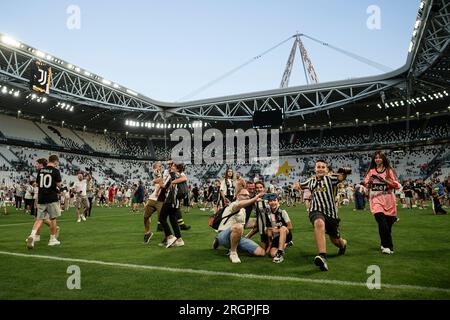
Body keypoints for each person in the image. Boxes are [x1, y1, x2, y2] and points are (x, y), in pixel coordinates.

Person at [299, 160, 349, 271]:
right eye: (318, 167)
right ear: (315, 169)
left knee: (336, 240)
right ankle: (322, 256)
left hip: (331, 214)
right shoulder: (310, 181)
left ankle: (343, 244)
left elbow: (341, 177)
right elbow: (300, 185)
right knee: (319, 223)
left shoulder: (330, 179)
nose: (320, 169)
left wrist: (345, 172)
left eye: (323, 167)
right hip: (315, 210)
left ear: (326, 169)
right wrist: (296, 186)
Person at [212, 189, 266, 263]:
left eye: (248, 196)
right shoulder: (234, 204)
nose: (247, 197)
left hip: (237, 235)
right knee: (238, 226)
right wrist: (255, 198)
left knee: (261, 252)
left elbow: (248, 222)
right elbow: (239, 205)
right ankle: (233, 252)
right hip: (224, 235)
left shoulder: (243, 210)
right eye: (244, 195)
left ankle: (237, 241)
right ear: (238, 196)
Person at [364, 151, 401, 255]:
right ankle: (389, 246)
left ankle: (383, 244)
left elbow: (396, 185)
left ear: (383, 159)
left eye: (379, 158)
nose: (377, 159)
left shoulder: (389, 171)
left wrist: (384, 180)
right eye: (376, 158)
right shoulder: (371, 171)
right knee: (382, 223)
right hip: (376, 200)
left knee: (387, 226)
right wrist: (370, 182)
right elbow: (367, 185)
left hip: (389, 200)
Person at [26, 155, 62, 249]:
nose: (57, 164)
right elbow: (59, 184)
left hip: (41, 197)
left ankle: (32, 235)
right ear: (55, 161)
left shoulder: (41, 170)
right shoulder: (55, 171)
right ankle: (52, 239)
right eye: (57, 162)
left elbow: (37, 183)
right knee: (53, 219)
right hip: (51, 197)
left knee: (39, 219)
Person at [158, 163, 187, 248]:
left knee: (162, 218)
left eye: (173, 166)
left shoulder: (172, 175)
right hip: (177, 201)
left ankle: (170, 236)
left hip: (170, 200)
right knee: (173, 219)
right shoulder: (180, 175)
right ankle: (179, 240)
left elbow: (164, 186)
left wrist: (159, 181)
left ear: (177, 169)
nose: (171, 167)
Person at [265, 194, 293, 263]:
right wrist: (269, 245)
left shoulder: (282, 212)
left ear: (278, 202)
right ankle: (286, 244)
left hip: (286, 234)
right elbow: (269, 230)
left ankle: (280, 253)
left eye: (274, 200)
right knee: (272, 254)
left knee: (283, 228)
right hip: (276, 237)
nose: (273, 202)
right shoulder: (268, 213)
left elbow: (290, 226)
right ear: (268, 203)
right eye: (270, 201)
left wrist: (277, 230)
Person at [143, 162, 164, 243]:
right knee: (146, 216)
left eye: (160, 166)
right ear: (155, 167)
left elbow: (160, 181)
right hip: (153, 198)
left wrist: (156, 181)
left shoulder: (160, 173)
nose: (160, 167)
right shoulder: (157, 172)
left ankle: (168, 236)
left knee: (162, 219)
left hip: (160, 199)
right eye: (159, 166)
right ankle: (147, 233)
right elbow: (159, 180)